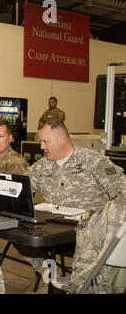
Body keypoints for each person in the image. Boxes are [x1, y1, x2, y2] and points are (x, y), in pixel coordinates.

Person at [28, 120, 126, 293]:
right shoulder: (41, 166)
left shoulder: (93, 161)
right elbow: (21, 190)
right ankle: (47, 271)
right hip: (54, 228)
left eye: (45, 141)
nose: (42, 147)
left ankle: (85, 285)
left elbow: (122, 191)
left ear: (62, 139)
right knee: (16, 230)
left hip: (87, 231)